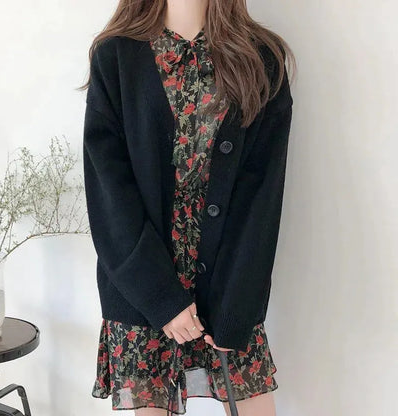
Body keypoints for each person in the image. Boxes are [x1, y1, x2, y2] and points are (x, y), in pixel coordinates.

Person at [80, 0, 295, 415]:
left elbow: (262, 198)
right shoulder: (116, 56)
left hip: (228, 285)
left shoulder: (261, 58)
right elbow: (109, 193)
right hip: (141, 287)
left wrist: (236, 309)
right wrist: (161, 297)